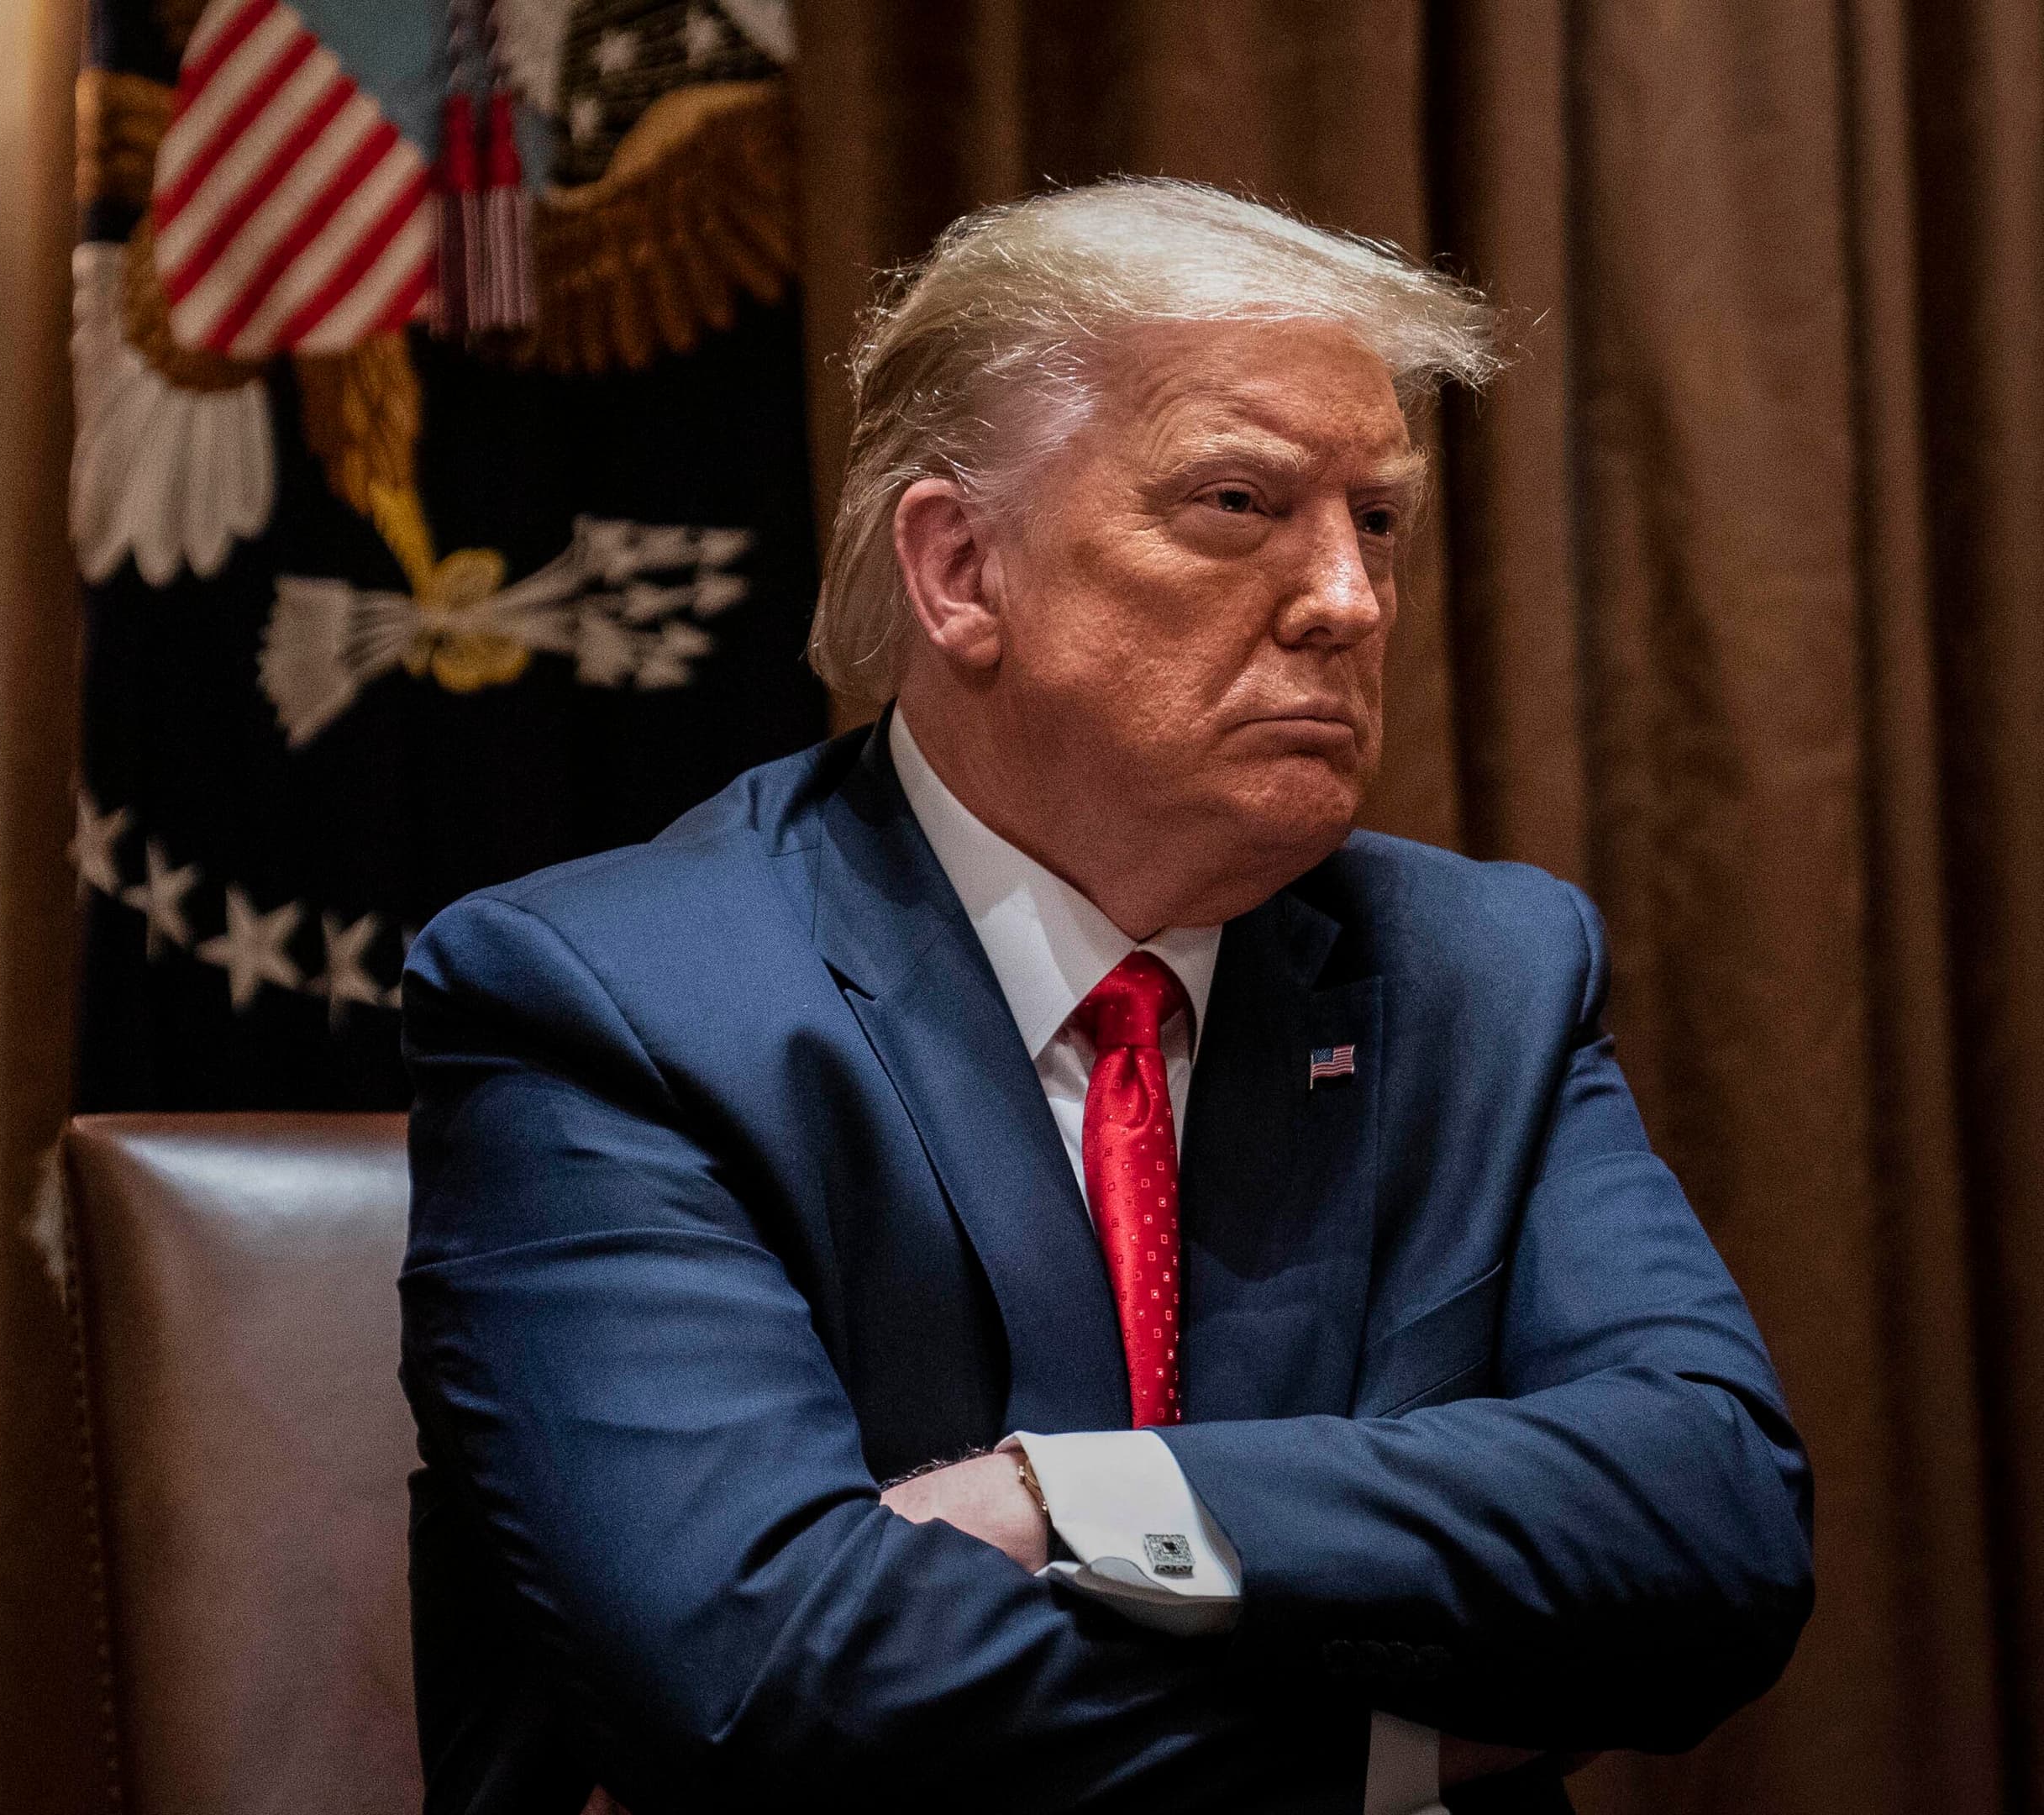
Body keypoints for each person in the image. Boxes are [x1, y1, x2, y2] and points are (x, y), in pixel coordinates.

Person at [396, 179, 1812, 1815]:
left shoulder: (1484, 970)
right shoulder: (615, 1004)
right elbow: (771, 1686)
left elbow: (1718, 1520)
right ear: (960, 570)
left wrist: (1070, 1502)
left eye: (1375, 520)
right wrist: (1409, 1743)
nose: (1348, 599)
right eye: (1238, 501)